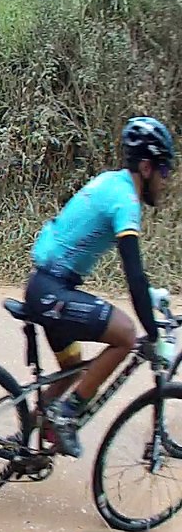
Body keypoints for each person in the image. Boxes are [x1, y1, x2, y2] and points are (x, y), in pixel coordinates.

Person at [29, 116, 174, 459]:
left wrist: (150, 296)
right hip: (51, 291)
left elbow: (137, 278)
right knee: (126, 335)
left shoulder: (113, 182)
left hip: (46, 286)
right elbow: (133, 273)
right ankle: (66, 416)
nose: (166, 182)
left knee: (71, 369)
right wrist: (152, 333)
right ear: (147, 167)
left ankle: (26, 436)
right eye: (165, 172)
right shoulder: (125, 201)